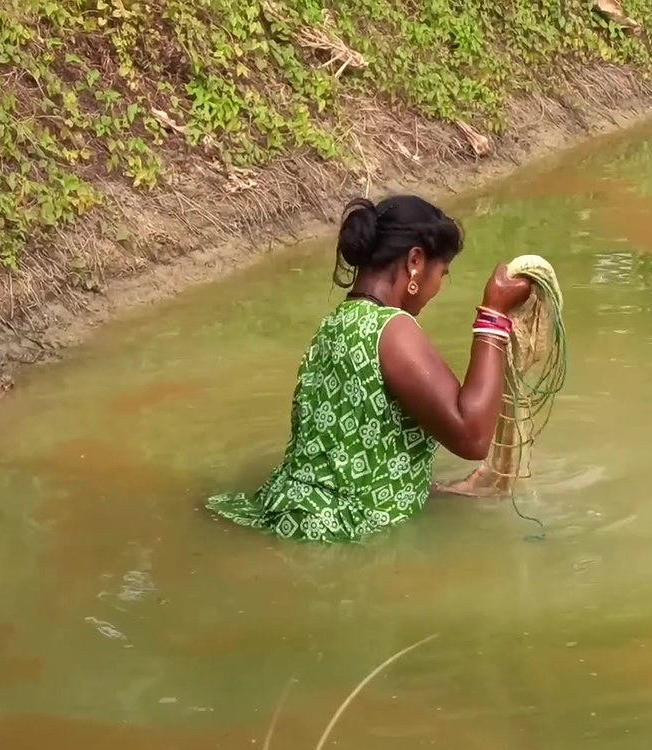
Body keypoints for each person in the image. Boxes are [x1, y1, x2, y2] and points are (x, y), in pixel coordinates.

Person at [206, 195, 532, 542]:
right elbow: (473, 437)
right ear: (415, 262)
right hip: (340, 535)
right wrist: (494, 314)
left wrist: (442, 492)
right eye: (442, 273)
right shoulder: (392, 329)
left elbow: (354, 458)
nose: (437, 288)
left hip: (289, 512)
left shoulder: (336, 323)